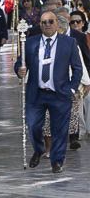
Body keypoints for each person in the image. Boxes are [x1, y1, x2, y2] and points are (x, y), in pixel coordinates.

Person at [16, 11, 83, 173]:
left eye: (50, 21)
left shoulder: (69, 43)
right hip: (36, 93)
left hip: (59, 93)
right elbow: (20, 63)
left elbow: (77, 68)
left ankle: (57, 160)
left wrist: (72, 88)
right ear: (40, 24)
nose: (47, 25)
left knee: (59, 130)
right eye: (44, 22)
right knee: (32, 125)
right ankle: (39, 149)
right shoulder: (31, 42)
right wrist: (20, 70)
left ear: (57, 24)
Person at [69, 10, 90, 147]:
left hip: (85, 75)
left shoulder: (84, 37)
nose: (76, 24)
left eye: (78, 21)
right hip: (75, 77)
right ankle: (77, 133)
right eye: (73, 22)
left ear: (83, 23)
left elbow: (86, 60)